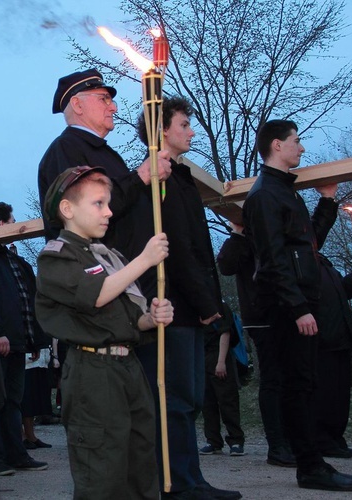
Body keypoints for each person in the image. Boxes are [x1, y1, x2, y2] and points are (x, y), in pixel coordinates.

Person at [35, 166, 173, 500]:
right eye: (98, 204)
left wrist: (152, 317)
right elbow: (95, 295)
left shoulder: (110, 256)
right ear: (68, 210)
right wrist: (144, 260)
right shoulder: (56, 257)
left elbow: (127, 320)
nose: (109, 212)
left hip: (128, 368)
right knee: (102, 471)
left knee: (140, 462)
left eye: (108, 203)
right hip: (92, 373)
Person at [242, 119, 352, 491]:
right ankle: (310, 467)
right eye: (297, 141)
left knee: (306, 383)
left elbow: (308, 247)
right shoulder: (264, 195)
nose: (303, 149)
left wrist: (327, 200)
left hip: (299, 302)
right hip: (285, 307)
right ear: (277, 146)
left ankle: (312, 463)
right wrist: (297, 308)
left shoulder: (286, 193)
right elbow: (273, 259)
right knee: (297, 385)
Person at [133, 97, 240, 500]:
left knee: (190, 398)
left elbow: (199, 247)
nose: (191, 131)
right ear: (162, 132)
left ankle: (192, 479)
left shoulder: (182, 178)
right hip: (171, 306)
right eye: (184, 124)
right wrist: (206, 303)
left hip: (191, 306)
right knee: (174, 399)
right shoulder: (158, 179)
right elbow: (175, 245)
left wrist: (213, 301)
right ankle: (175, 484)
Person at [38, 68, 172, 252]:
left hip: (129, 273)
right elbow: (85, 213)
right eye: (104, 99)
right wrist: (140, 176)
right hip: (103, 276)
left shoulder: (102, 152)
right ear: (77, 105)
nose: (113, 107)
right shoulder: (66, 149)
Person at [0, 202, 49, 477]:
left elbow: (28, 300)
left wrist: (35, 341)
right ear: (0, 225)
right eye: (12, 219)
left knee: (13, 401)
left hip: (18, 342)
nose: (15, 223)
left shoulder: (16, 261)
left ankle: (16, 454)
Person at [217, 224, 296, 467]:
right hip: (262, 318)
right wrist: (238, 231)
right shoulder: (243, 240)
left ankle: (296, 440)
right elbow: (226, 265)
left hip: (292, 313)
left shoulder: (280, 233)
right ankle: (278, 445)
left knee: (295, 380)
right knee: (273, 380)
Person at [313, 255, 352, 458]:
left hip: (340, 339)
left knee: (340, 395)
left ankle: (336, 438)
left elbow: (340, 292)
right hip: (322, 340)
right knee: (326, 395)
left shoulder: (325, 264)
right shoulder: (302, 263)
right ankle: (324, 440)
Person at [199, 303, 245, 457]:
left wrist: (221, 362)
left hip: (219, 355)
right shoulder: (196, 306)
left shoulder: (220, 306)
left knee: (227, 400)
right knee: (207, 402)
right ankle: (213, 441)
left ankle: (236, 440)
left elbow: (225, 333)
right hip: (203, 356)